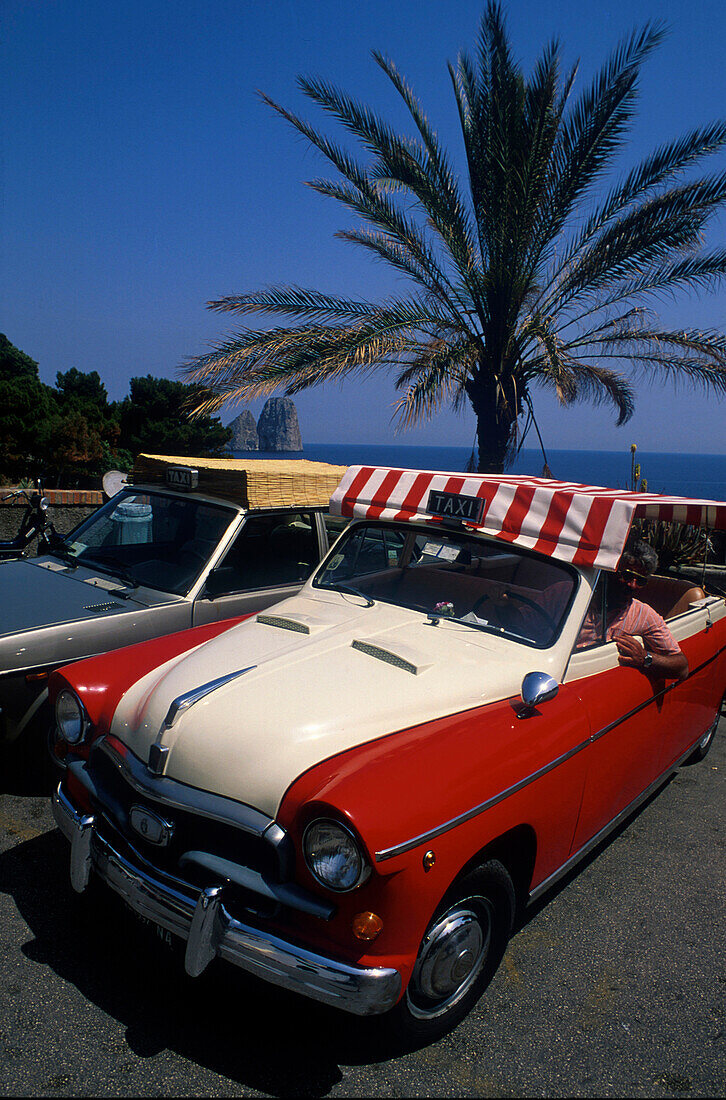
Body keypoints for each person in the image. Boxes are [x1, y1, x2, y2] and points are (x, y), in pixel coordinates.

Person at [577, 539, 689, 680]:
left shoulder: (642, 614)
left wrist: (645, 657)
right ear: (610, 571)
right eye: (628, 575)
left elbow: (682, 667)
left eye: (640, 580)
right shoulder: (571, 594)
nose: (633, 585)